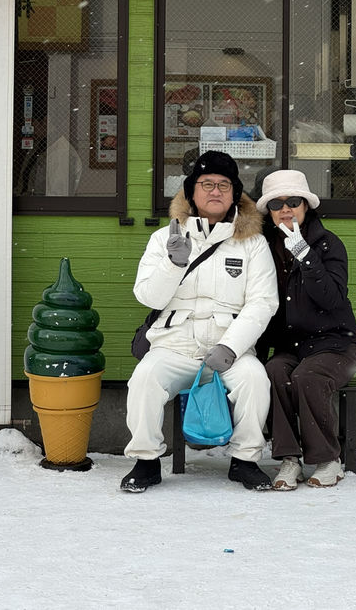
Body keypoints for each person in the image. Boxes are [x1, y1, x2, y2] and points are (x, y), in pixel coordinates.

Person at [121, 150, 279, 493]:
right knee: (144, 379)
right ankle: (145, 462)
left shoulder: (252, 242)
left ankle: (245, 461)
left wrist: (231, 346)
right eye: (206, 184)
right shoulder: (165, 239)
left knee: (255, 379)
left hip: (227, 347)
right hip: (175, 344)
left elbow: (263, 301)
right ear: (191, 192)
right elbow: (147, 296)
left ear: (234, 193)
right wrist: (173, 264)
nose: (215, 191)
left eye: (224, 185)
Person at [255, 169, 356, 490]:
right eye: (277, 203)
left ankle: (328, 458)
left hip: (336, 346)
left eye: (293, 201)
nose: (286, 209)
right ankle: (290, 459)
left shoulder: (328, 244)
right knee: (275, 370)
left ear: (306, 206)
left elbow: (332, 297)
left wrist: (304, 253)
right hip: (292, 347)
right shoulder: (264, 249)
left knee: (308, 376)